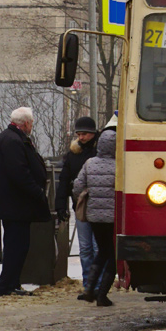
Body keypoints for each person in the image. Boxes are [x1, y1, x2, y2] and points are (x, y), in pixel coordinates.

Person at [0, 107, 51, 297]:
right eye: (32, 123)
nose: (32, 126)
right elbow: (19, 173)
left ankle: (11, 284)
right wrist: (37, 192)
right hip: (15, 205)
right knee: (16, 246)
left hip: (14, 205)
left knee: (17, 245)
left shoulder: (10, 137)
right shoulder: (13, 140)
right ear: (27, 123)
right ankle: (6, 286)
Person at [55, 116, 99, 301]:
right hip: (80, 206)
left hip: (99, 206)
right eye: (79, 134)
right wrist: (60, 205)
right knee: (86, 248)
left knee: (96, 248)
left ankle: (98, 285)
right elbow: (64, 180)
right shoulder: (73, 154)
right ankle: (88, 285)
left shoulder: (100, 152)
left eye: (85, 134)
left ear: (93, 134)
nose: (81, 137)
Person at [72, 129, 117, 307]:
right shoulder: (119, 166)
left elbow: (77, 186)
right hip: (113, 217)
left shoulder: (89, 163)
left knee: (102, 252)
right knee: (112, 255)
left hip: (94, 216)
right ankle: (102, 294)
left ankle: (89, 288)